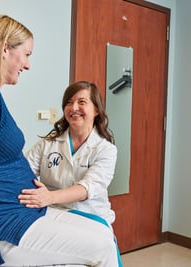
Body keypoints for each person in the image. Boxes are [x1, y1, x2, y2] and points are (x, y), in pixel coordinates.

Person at [0, 14, 118, 267]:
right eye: (26, 55)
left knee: (104, 234)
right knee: (102, 246)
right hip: (0, 223)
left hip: (20, 212)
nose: (27, 65)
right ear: (5, 48)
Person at [19, 81, 117, 225]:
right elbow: (22, 171)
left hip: (90, 216)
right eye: (69, 103)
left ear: (96, 110)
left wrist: (49, 197)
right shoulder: (47, 144)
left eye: (82, 102)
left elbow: (87, 188)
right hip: (53, 213)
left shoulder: (105, 149)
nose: (74, 108)